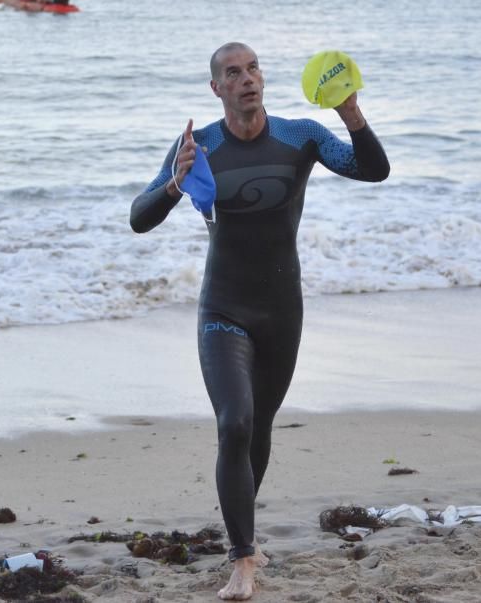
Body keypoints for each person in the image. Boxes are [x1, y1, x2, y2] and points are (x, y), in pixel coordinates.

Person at [129, 42, 388, 600]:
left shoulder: (301, 137)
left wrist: (350, 111)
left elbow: (374, 170)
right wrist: (176, 184)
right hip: (223, 308)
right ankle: (243, 558)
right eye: (232, 73)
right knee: (235, 422)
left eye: (252, 69)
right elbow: (138, 217)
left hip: (280, 310)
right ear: (216, 88)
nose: (246, 79)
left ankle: (243, 534)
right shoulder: (198, 146)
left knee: (260, 427)